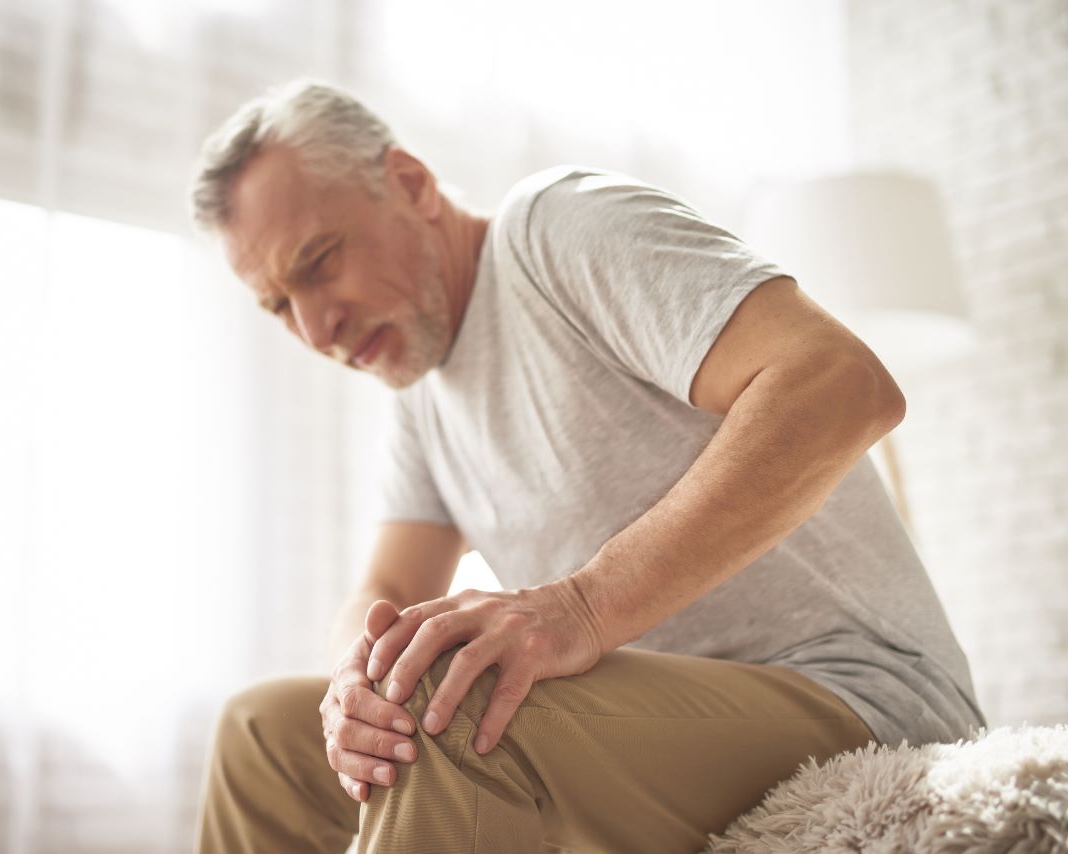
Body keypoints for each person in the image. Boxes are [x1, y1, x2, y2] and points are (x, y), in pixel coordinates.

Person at [186, 78, 986, 854]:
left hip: (858, 696)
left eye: (319, 261)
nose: (316, 326)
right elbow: (387, 592)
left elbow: (841, 384)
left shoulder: (556, 228)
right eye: (278, 305)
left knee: (452, 708)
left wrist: (581, 609)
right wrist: (351, 685)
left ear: (411, 182)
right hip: (652, 722)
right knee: (259, 735)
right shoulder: (417, 385)